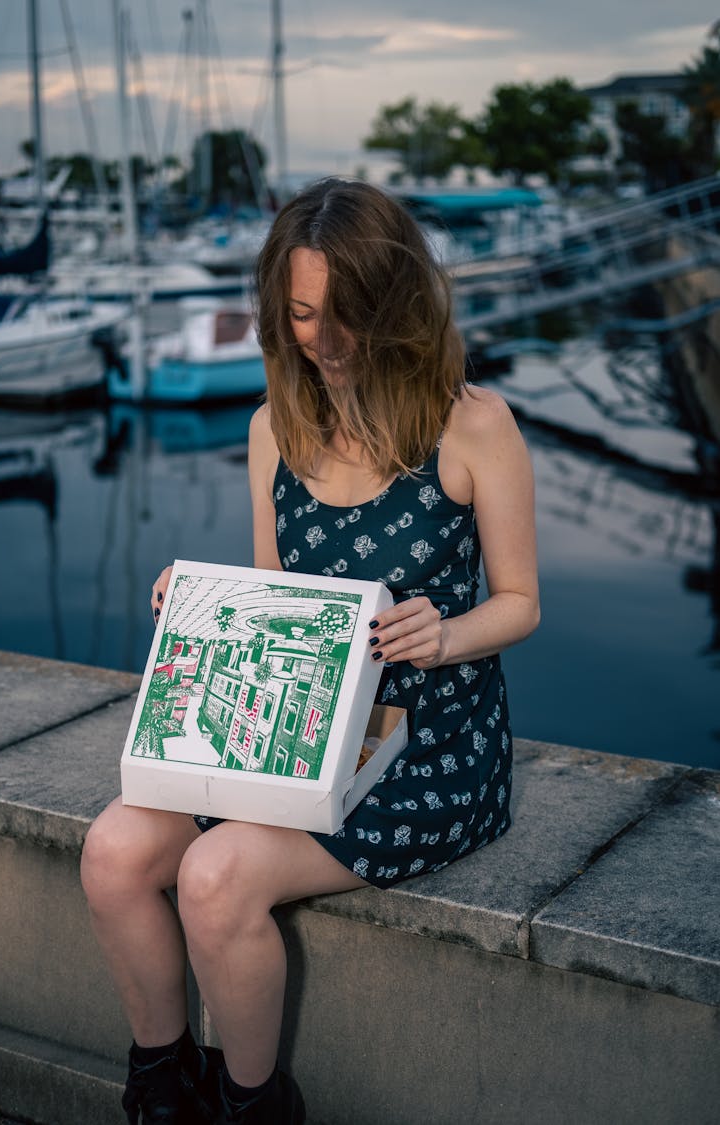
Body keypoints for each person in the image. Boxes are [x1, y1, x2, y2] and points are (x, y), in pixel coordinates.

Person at [80, 177, 540, 1125]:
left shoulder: (474, 425)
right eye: (300, 315)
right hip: (294, 730)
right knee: (114, 849)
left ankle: (254, 1105)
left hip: (428, 749)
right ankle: (162, 1087)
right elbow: (281, 601)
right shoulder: (270, 427)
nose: (324, 343)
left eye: (347, 317)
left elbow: (523, 603)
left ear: (396, 304)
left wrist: (445, 633)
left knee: (214, 876)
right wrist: (201, 606)